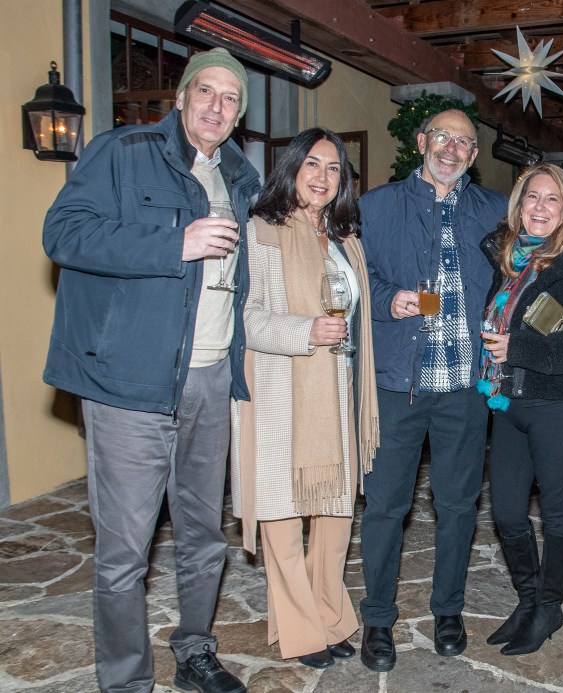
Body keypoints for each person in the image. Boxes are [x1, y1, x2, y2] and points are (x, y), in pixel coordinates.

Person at [42, 48, 259, 693]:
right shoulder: (123, 151)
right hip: (129, 384)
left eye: (231, 99)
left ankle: (195, 649)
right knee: (123, 553)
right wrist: (176, 241)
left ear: (239, 113)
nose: (217, 107)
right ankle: (127, 681)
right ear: (183, 96)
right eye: (207, 93)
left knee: (203, 536)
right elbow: (63, 234)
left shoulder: (243, 178)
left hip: (210, 378)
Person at [357, 109, 507, 672]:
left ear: (472, 155)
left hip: (466, 386)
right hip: (400, 383)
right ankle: (377, 619)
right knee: (385, 507)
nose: (451, 148)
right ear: (422, 142)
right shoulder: (376, 206)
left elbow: (544, 243)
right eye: (442, 137)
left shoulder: (495, 211)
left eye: (464, 142)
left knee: (458, 504)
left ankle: (448, 610)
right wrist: (383, 299)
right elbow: (351, 276)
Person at [229, 129, 379, 670]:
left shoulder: (344, 239)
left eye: (333, 168)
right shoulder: (261, 232)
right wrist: (303, 332)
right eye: (311, 164)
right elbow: (244, 318)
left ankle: (329, 613)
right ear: (290, 169)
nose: (321, 177)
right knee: (284, 515)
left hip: (338, 387)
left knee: (337, 511)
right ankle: (298, 627)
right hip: (279, 388)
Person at [478, 163, 563, 656]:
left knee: (557, 516)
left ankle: (549, 608)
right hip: (508, 400)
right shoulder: (508, 260)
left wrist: (519, 349)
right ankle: (529, 598)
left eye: (552, 199)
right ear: (519, 205)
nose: (540, 207)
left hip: (559, 404)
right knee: (509, 512)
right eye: (532, 197)